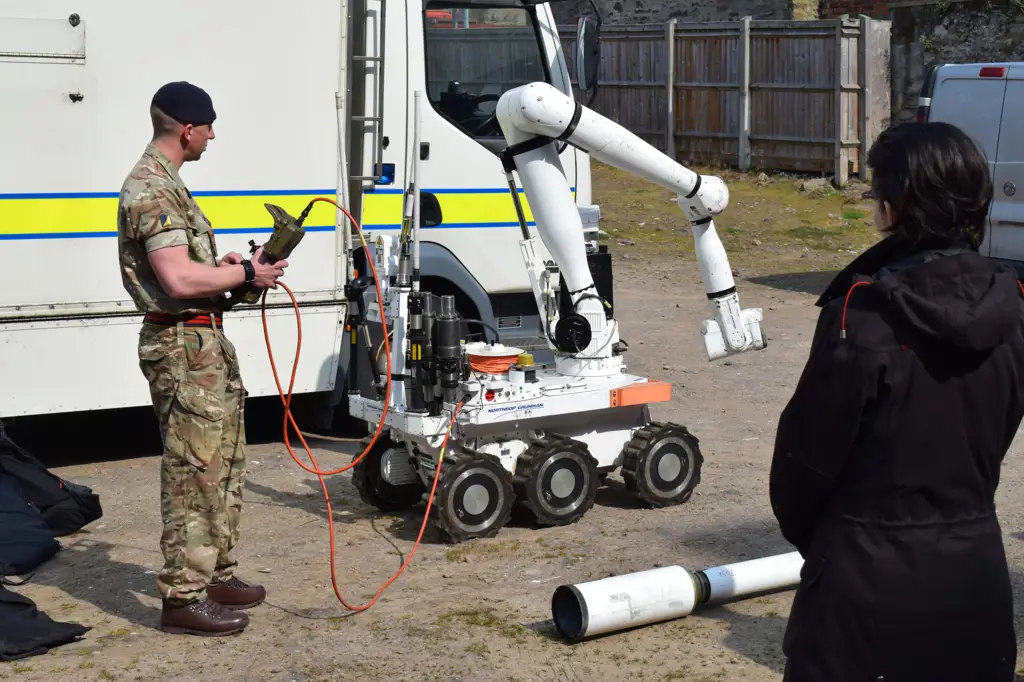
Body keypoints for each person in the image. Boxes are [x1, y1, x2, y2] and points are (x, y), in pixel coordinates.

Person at [769, 121, 1024, 681]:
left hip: (864, 588)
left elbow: (801, 465)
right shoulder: (1014, 307)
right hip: (972, 572)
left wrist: (839, 538)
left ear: (891, 206)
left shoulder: (861, 315)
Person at [117, 81, 288, 636]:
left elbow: (193, 271)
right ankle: (183, 597)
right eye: (209, 126)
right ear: (187, 129)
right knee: (194, 473)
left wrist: (234, 268)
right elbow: (177, 277)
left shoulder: (170, 186)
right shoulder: (151, 189)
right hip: (182, 349)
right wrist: (242, 274)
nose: (213, 135)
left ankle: (214, 570)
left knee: (224, 464)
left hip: (204, 344)